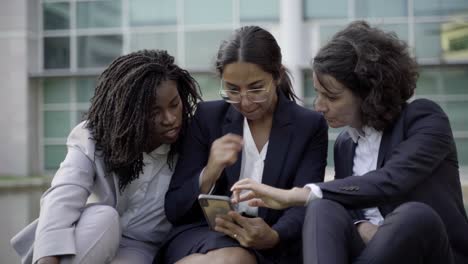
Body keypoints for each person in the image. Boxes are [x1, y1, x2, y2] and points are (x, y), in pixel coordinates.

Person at [231, 21, 468, 264]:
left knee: (414, 215)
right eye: (318, 93)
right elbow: (347, 203)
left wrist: (296, 195)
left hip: (433, 254)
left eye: (331, 97)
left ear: (368, 93)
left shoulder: (423, 118)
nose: (319, 106)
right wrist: (359, 224)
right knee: (322, 208)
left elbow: (390, 182)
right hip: (368, 253)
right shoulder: (345, 145)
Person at [10, 50, 202, 264]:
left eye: (174, 105)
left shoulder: (193, 141)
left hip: (142, 247)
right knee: (105, 217)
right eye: (153, 112)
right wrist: (47, 258)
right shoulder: (95, 136)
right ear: (130, 113)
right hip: (92, 235)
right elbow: (63, 196)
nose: (169, 119)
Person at [159, 26, 328, 264]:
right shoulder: (207, 118)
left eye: (256, 88)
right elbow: (174, 209)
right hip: (203, 234)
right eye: (233, 90)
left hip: (272, 239)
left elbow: (304, 203)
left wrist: (274, 235)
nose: (245, 102)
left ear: (277, 76)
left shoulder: (308, 126)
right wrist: (210, 171)